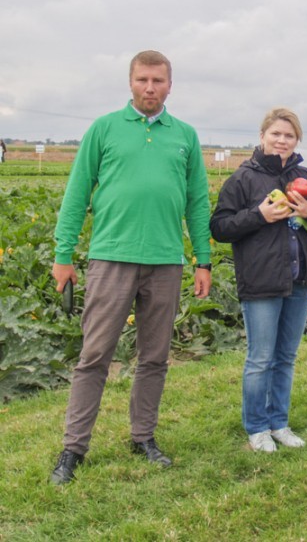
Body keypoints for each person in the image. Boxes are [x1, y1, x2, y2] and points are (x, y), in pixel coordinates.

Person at [49, 50, 212, 485]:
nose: (150, 88)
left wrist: (204, 259)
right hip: (110, 258)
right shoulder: (104, 129)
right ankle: (73, 448)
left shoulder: (186, 136)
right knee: (94, 355)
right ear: (130, 82)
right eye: (143, 80)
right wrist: (63, 255)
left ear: (170, 85)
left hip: (165, 262)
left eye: (158, 80)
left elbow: (197, 202)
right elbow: (76, 193)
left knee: (154, 357)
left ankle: (143, 437)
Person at [210, 108, 307, 453]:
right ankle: (257, 428)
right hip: (261, 278)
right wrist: (260, 215)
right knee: (260, 358)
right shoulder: (243, 178)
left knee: (286, 356)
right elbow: (220, 227)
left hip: (301, 277)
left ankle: (279, 423)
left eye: (289, 135)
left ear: (297, 140)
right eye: (276, 134)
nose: (282, 141)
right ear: (263, 135)